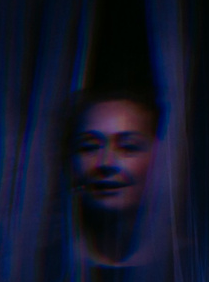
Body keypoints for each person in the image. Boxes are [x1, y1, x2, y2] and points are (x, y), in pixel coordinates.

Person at [70, 88, 163, 266]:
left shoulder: (195, 262)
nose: (105, 163)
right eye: (89, 147)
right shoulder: (41, 265)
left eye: (127, 147)